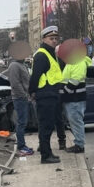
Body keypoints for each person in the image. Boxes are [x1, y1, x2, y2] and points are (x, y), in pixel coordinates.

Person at [28, 25, 64, 164]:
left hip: (51, 94)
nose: (54, 41)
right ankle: (45, 155)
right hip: (45, 94)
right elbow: (35, 76)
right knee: (46, 126)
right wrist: (32, 91)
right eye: (51, 38)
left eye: (56, 38)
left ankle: (47, 152)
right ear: (44, 39)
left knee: (48, 126)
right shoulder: (42, 54)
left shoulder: (50, 54)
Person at [58, 38, 90, 154]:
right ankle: (78, 143)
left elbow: (75, 79)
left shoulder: (78, 62)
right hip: (72, 98)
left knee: (76, 121)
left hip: (75, 98)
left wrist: (65, 91)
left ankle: (79, 145)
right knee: (74, 122)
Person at [7, 42, 33, 156]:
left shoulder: (22, 64)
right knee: (21, 122)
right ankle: (21, 146)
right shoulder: (14, 66)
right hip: (20, 98)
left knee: (23, 122)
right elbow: (15, 84)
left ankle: (23, 145)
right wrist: (24, 95)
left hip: (23, 97)